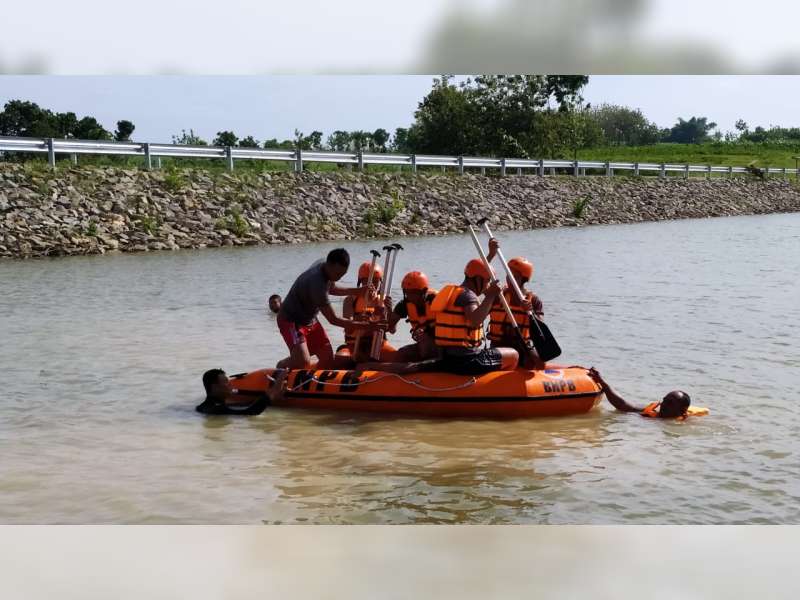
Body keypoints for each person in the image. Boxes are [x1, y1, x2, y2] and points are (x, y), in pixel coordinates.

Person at [276, 248, 383, 370]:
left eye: (342, 275)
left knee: (327, 359)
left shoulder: (324, 265)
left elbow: (331, 288)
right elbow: (333, 320)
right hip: (291, 320)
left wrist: (358, 291)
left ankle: (311, 378)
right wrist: (366, 326)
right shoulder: (316, 282)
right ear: (330, 265)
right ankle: (282, 366)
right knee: (303, 362)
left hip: (310, 319)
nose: (338, 278)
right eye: (337, 274)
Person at [429, 258, 518, 375]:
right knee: (513, 354)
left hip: (446, 356)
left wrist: (490, 254)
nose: (487, 286)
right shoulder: (468, 295)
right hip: (467, 359)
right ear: (477, 279)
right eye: (487, 281)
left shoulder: (455, 292)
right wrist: (490, 295)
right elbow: (475, 321)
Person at [588, 368, 708, 420]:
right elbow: (622, 405)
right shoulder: (652, 410)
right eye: (664, 400)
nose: (664, 404)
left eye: (670, 403)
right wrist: (602, 381)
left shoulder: (683, 424)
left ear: (682, 410)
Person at [340, 262, 397, 361]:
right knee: (340, 358)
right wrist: (357, 320)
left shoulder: (384, 300)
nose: (372, 285)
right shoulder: (350, 300)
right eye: (367, 281)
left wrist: (389, 312)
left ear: (380, 282)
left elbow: (392, 330)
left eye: (376, 281)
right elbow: (348, 330)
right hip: (354, 343)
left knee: (397, 357)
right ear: (360, 282)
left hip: (377, 344)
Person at [385, 270, 439, 362]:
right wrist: (388, 310)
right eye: (407, 292)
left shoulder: (436, 300)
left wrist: (427, 331)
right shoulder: (404, 304)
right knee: (401, 353)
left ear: (424, 291)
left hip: (440, 344)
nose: (410, 296)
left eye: (413, 293)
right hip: (422, 343)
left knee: (425, 338)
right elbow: (391, 328)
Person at [196, 368, 267, 415]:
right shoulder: (215, 409)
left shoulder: (215, 405)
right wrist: (268, 396)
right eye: (226, 381)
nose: (230, 384)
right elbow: (250, 413)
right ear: (215, 387)